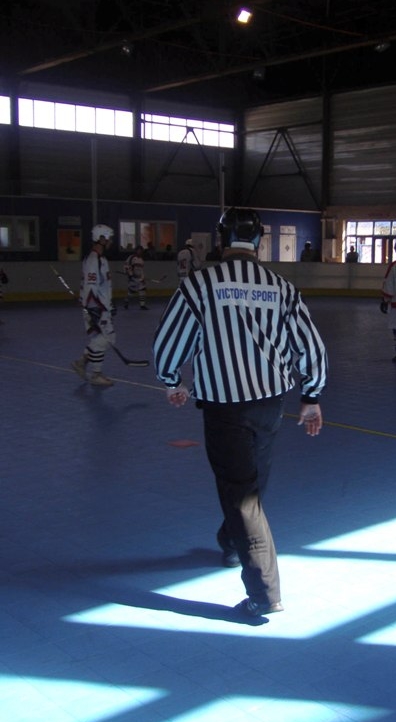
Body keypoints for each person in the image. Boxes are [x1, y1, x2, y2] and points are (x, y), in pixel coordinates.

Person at [153, 207, 328, 618]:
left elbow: (169, 341)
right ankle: (232, 542)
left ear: (221, 240)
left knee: (241, 492)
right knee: (253, 481)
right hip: (270, 403)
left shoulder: (199, 285)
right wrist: (312, 395)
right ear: (259, 241)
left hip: (224, 405)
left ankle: (265, 593)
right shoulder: (281, 287)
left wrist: (171, 379)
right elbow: (312, 345)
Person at [71, 224, 117, 386]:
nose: (111, 241)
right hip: (97, 308)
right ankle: (96, 374)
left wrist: (109, 304)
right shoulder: (93, 260)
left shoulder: (100, 259)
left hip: (101, 307)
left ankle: (81, 363)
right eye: (109, 238)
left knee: (102, 338)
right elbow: (91, 288)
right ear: (102, 239)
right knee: (106, 338)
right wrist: (95, 310)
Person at [123, 245, 148, 309]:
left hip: (139, 278)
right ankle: (126, 301)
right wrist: (130, 273)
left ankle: (142, 305)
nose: (140, 252)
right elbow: (126, 266)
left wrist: (142, 277)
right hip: (133, 278)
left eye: (141, 251)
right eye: (139, 250)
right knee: (131, 292)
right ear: (136, 251)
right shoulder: (131, 257)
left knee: (142, 290)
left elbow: (141, 270)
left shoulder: (141, 259)